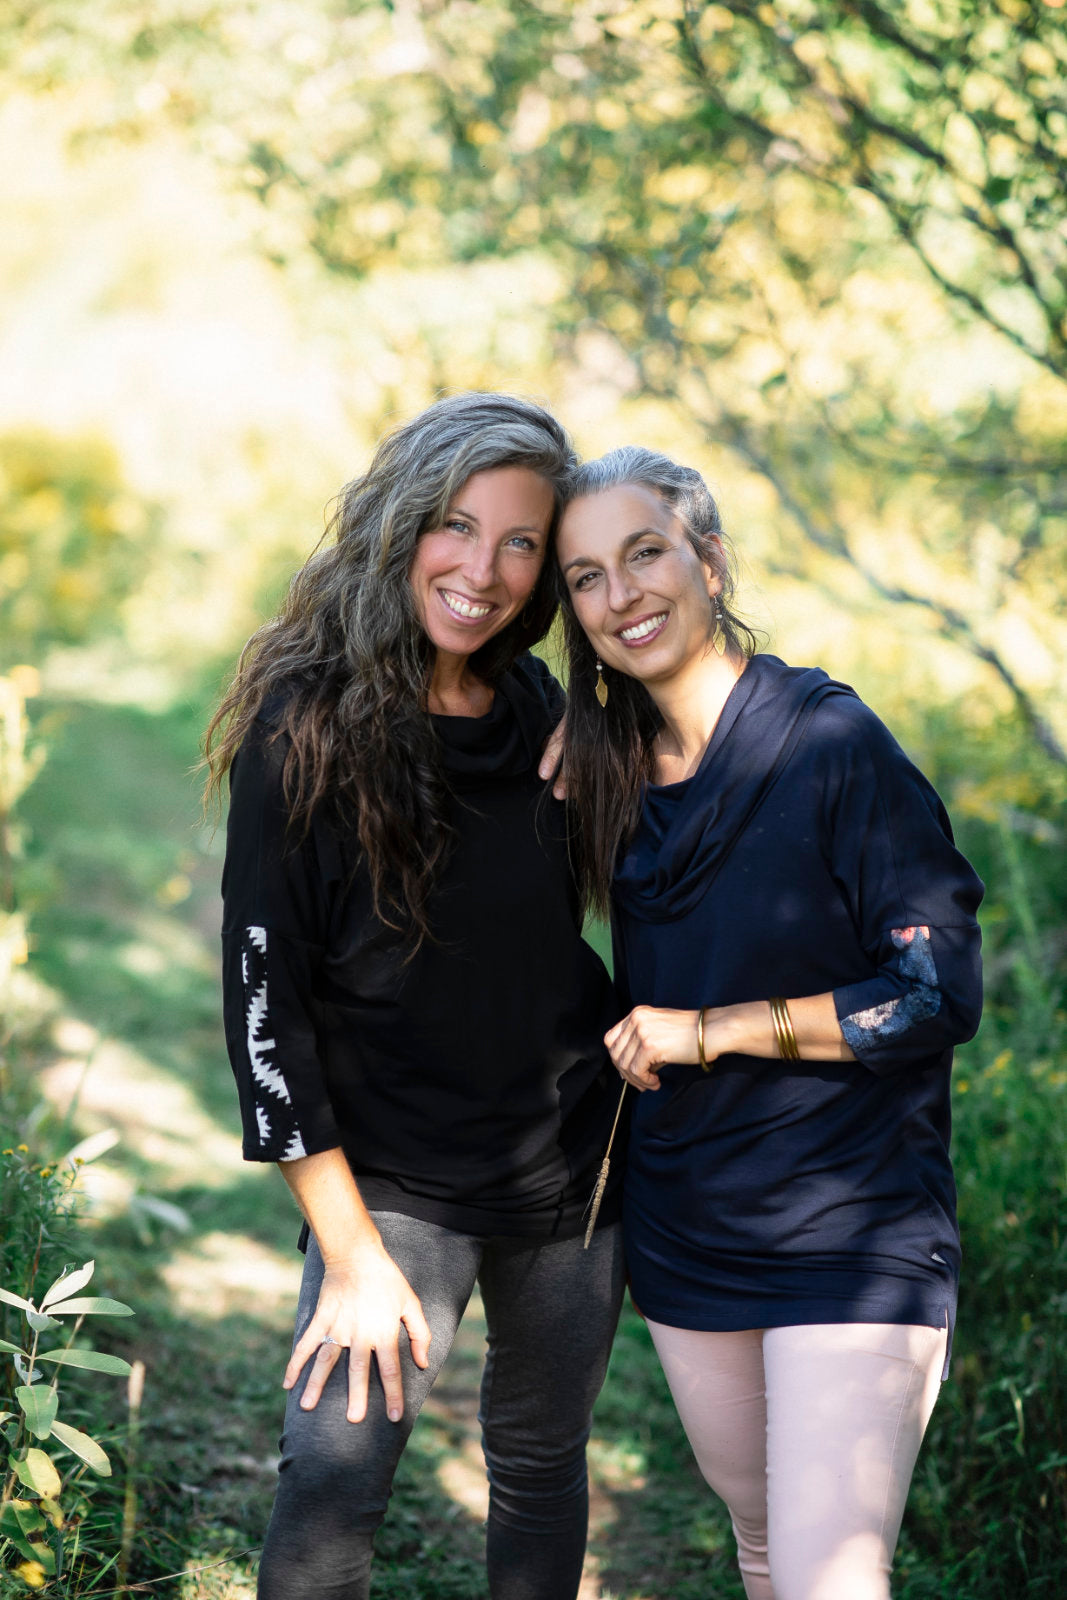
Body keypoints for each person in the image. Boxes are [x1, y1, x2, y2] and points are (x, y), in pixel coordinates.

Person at [205, 393, 626, 1600]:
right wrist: (348, 1251)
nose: (481, 571)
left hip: (570, 1172)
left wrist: (601, 728)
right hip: (388, 1188)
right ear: (400, 522)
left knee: (540, 1464)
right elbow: (261, 1010)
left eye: (519, 542)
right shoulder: (304, 724)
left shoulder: (540, 711)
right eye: (456, 525)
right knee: (332, 1481)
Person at [551, 445, 984, 1600]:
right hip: (688, 1222)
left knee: (825, 1574)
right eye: (585, 577)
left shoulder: (830, 746)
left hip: (852, 1227)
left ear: (709, 558)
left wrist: (713, 1029)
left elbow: (935, 991)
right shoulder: (604, 765)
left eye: (644, 553)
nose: (619, 594)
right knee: (759, 1547)